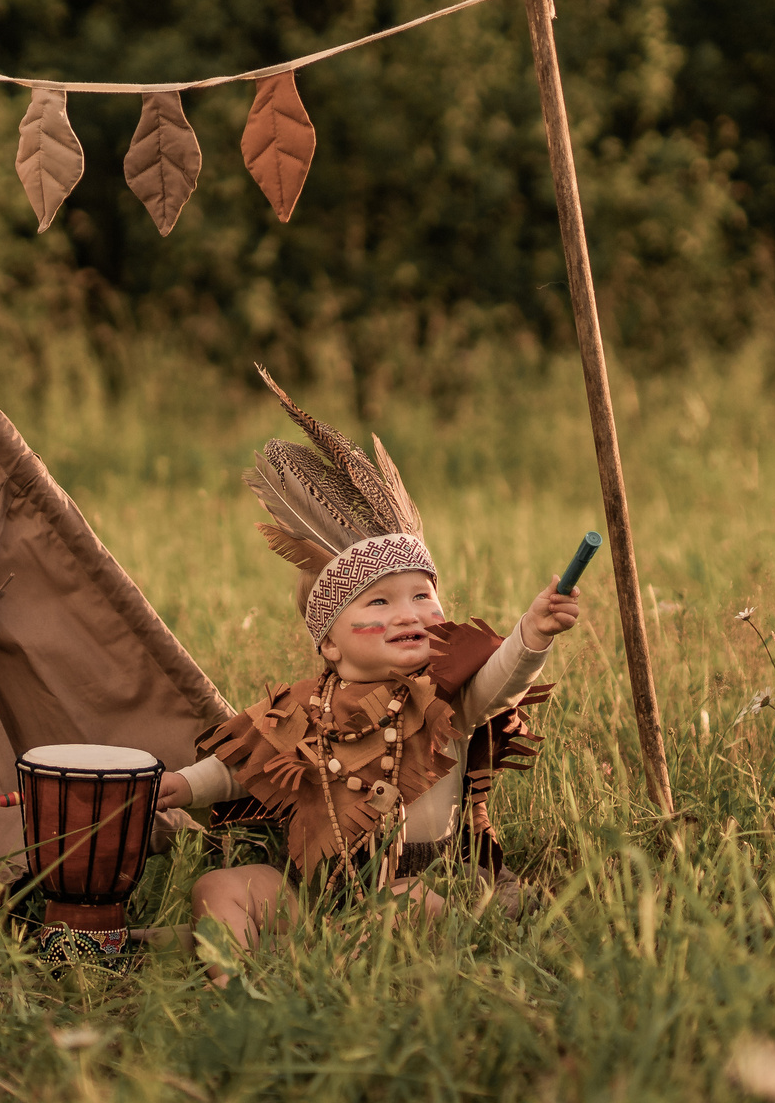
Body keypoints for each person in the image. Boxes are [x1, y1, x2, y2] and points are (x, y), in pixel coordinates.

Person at [157, 371, 580, 956]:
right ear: (330, 644)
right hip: (318, 888)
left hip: (423, 881)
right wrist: (183, 784)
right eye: (378, 602)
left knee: (410, 905)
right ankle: (239, 978)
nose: (408, 614)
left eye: (422, 596)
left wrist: (531, 634)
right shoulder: (306, 707)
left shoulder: (450, 696)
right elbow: (243, 767)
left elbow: (503, 681)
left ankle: (323, 952)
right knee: (220, 885)